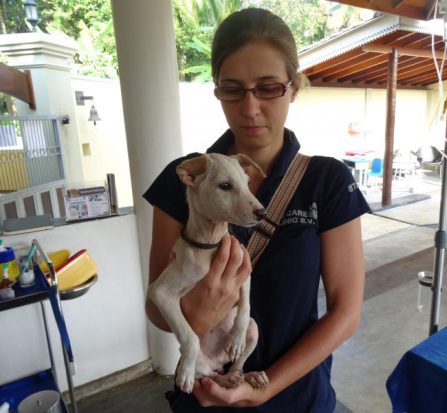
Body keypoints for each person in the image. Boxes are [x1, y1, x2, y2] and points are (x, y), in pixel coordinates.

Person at [143, 7, 371, 412]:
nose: (249, 108)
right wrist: (199, 314)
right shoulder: (183, 179)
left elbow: (346, 313)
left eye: (268, 88)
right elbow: (158, 309)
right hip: (204, 394)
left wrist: (265, 388)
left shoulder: (327, 181)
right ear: (216, 90)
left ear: (294, 88)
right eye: (233, 88)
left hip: (298, 398)